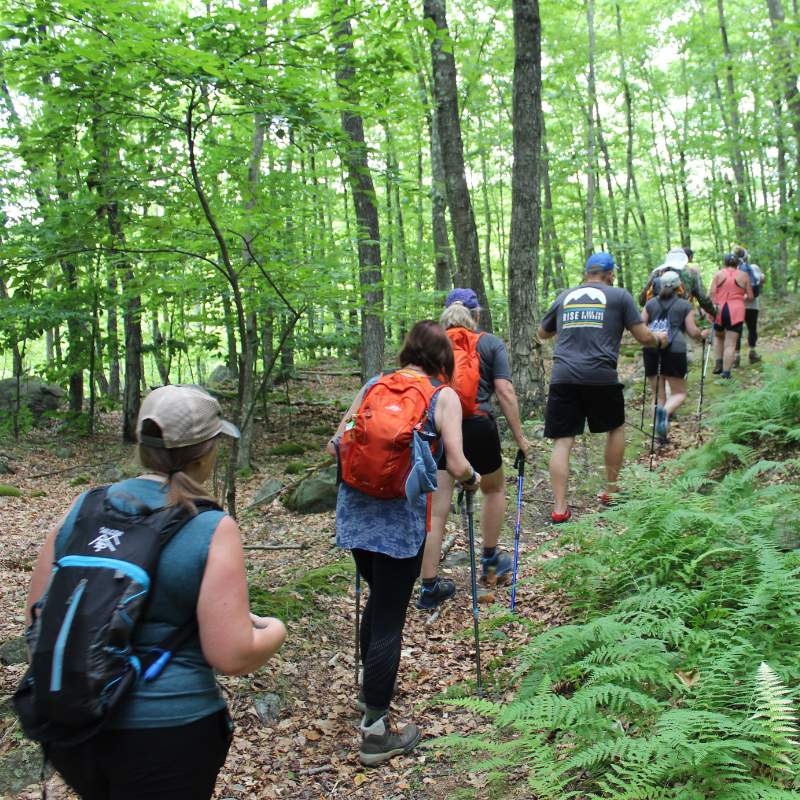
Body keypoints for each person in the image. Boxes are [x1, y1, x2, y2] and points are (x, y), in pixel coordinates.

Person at [25, 384, 287, 800]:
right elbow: (232, 654)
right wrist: (275, 630)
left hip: (75, 723)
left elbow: (39, 614)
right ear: (205, 452)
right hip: (170, 730)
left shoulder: (86, 507)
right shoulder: (210, 527)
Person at [328, 320, 479, 766]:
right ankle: (375, 731)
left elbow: (336, 443)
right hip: (400, 519)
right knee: (392, 615)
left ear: (406, 350)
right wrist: (470, 479)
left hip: (355, 513)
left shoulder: (376, 384)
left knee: (380, 598)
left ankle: (367, 696)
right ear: (443, 360)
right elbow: (456, 461)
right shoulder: (443, 395)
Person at [416, 289, 530, 609]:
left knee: (436, 510)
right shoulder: (490, 343)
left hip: (438, 429)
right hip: (479, 426)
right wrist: (520, 438)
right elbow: (505, 392)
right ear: (476, 315)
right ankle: (490, 561)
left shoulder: (429, 346)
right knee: (493, 490)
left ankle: (428, 587)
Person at [538, 252, 668, 521]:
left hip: (563, 376)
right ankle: (611, 490)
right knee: (615, 428)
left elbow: (543, 332)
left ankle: (560, 509)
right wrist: (659, 339)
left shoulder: (565, 297)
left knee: (563, 441)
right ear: (609, 274)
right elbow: (643, 336)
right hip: (601, 375)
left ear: (587, 273)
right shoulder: (619, 296)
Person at [640, 270, 709, 442]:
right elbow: (693, 331)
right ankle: (665, 413)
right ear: (680, 286)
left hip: (651, 348)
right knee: (679, 393)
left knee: (658, 395)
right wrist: (703, 335)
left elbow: (640, 326)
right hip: (675, 349)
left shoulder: (649, 305)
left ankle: (660, 436)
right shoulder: (685, 305)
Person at [710, 253, 753, 379]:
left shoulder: (718, 274)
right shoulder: (744, 275)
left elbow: (712, 293)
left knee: (718, 337)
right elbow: (750, 296)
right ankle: (726, 372)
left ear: (725, 262)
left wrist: (710, 311)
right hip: (736, 310)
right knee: (731, 343)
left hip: (719, 309)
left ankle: (718, 363)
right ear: (738, 263)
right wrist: (741, 297)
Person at [638, 247, 715, 317]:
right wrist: (714, 312)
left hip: (656, 318)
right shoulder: (691, 274)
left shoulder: (656, 272)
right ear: (685, 259)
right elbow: (703, 299)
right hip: (680, 317)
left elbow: (642, 299)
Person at [732, 247, 764, 365]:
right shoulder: (754, 267)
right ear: (746, 257)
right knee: (752, 328)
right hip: (752, 304)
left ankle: (736, 356)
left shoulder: (733, 270)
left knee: (737, 330)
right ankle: (752, 352)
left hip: (738, 305)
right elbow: (761, 280)